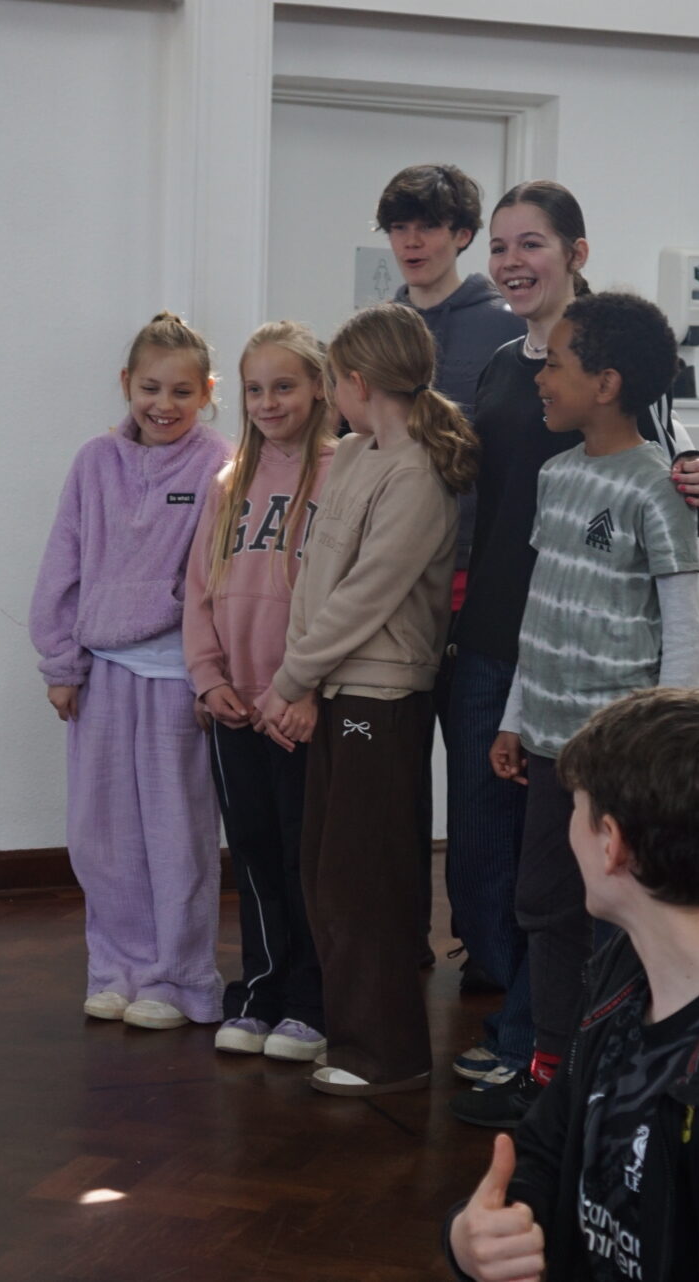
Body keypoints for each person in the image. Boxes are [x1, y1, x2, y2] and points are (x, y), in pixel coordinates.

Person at [447, 182, 699, 1124]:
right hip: (529, 688)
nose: (511, 261)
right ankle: (543, 1056)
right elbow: (524, 574)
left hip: (614, 730)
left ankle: (593, 1068)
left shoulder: (640, 431)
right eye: (500, 246)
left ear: (574, 252)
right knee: (528, 887)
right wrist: (517, 712)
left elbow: (678, 589)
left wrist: (667, 732)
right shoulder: (511, 385)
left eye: (531, 242)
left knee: (608, 905)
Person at [445, 687, 699, 1282]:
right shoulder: (624, 971)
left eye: (575, 810)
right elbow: (548, 1150)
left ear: (612, 844)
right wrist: (474, 1235)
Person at [257, 302, 477, 1095]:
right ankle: (351, 1037)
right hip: (336, 688)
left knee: (364, 879)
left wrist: (291, 679)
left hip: (381, 700)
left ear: (355, 381)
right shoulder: (352, 454)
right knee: (327, 873)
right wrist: (306, 680)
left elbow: (366, 595)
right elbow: (317, 579)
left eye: (328, 382)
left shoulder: (417, 473)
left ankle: (387, 1053)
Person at [29, 311, 232, 1031]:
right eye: (150, 388)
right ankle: (116, 970)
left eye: (182, 391)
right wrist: (61, 662)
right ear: (126, 384)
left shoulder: (220, 464)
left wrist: (212, 676)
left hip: (178, 679)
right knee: (103, 837)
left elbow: (221, 581)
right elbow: (63, 561)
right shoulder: (94, 462)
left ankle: (179, 980)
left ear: (207, 392)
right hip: (103, 677)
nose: (163, 405)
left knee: (177, 837)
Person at [379, 163, 526, 984]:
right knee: (391, 784)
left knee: (479, 790)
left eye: (428, 226)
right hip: (394, 597)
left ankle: (486, 950)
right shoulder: (378, 330)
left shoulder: (504, 329)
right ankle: (398, 937)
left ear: (462, 235)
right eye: (399, 227)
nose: (412, 241)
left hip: (478, 594)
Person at [183, 320, 336, 1062]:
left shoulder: (343, 473)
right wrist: (207, 678)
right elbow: (198, 591)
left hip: (298, 707)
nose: (269, 402)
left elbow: (340, 597)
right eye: (255, 389)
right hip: (236, 708)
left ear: (319, 388)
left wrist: (301, 687)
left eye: (284, 386)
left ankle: (311, 1002)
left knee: (306, 859)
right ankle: (261, 992)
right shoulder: (229, 481)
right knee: (252, 854)